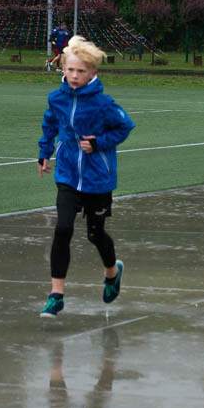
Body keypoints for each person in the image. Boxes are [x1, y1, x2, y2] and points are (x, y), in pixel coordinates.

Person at [36, 35, 135, 317]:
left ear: (92, 72)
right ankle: (56, 295)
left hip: (97, 178)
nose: (75, 76)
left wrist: (98, 143)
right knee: (63, 229)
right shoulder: (57, 98)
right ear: (63, 68)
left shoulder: (103, 103)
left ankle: (112, 272)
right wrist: (44, 153)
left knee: (95, 234)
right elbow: (50, 124)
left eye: (81, 71)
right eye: (70, 70)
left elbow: (124, 126)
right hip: (67, 173)